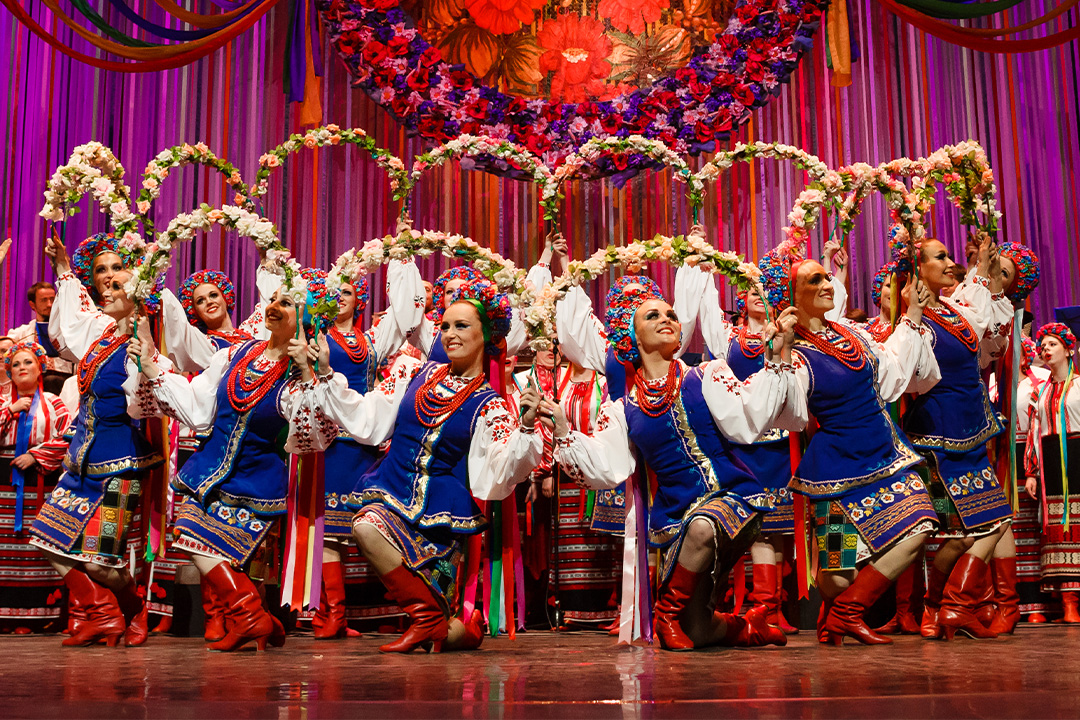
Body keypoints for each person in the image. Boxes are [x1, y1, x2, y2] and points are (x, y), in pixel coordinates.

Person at [552, 278, 803, 651]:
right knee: (699, 631)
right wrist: (561, 429)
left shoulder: (706, 375)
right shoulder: (623, 408)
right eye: (653, 315)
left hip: (731, 496)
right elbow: (606, 463)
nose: (667, 318)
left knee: (703, 527)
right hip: (675, 516)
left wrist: (777, 359)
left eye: (670, 313)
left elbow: (751, 414)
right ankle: (748, 627)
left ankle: (664, 613)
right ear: (631, 337)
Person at [311, 279, 544, 653]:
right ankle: (428, 619)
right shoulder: (413, 372)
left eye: (462, 326)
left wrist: (529, 427)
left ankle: (440, 624)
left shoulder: (490, 404)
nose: (450, 334)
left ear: (486, 335)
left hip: (440, 511)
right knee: (367, 526)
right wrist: (325, 373)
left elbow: (502, 469)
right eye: (446, 326)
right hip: (391, 487)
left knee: (446, 635)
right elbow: (370, 417)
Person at [132, 275, 332, 652]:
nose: (273, 306)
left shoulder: (298, 375)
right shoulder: (235, 355)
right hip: (210, 473)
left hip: (254, 482)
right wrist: (153, 367)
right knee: (189, 535)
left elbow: (314, 434)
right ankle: (253, 617)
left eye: (286, 303)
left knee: (219, 552)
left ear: (306, 318)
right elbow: (197, 406)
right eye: (272, 299)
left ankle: (250, 617)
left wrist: (311, 373)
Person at [760, 247, 940, 646]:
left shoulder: (850, 334)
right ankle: (836, 613)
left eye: (827, 276)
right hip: (837, 470)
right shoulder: (797, 354)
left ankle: (847, 612)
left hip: (885, 454)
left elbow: (894, 376)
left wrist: (911, 315)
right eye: (815, 281)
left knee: (921, 523)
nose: (827, 284)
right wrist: (782, 350)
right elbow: (788, 414)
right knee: (839, 571)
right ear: (791, 296)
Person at [676, 241, 849, 634]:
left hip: (783, 445)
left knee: (782, 525)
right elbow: (702, 309)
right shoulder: (728, 337)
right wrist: (700, 265)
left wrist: (828, 266)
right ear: (742, 297)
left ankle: (775, 605)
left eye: (764, 291)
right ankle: (762, 605)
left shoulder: (791, 333)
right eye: (751, 291)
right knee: (758, 521)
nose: (757, 296)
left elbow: (827, 314)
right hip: (747, 444)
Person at [29, 233, 166, 648]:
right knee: (48, 542)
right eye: (102, 276)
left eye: (116, 277)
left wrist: (147, 361)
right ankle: (102, 615)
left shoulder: (143, 344)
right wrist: (64, 270)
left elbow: (151, 396)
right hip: (81, 462)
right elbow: (67, 327)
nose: (107, 283)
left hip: (118, 467)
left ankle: (132, 606)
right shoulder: (100, 336)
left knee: (101, 562)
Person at [902, 237, 1014, 640]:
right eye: (941, 258)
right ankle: (949, 606)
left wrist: (983, 270)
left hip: (971, 430)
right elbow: (910, 376)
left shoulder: (953, 308)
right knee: (970, 528)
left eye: (951, 256)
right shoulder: (914, 322)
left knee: (982, 525)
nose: (951, 263)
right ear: (918, 271)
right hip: (941, 435)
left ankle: (944, 607)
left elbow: (986, 325)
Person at [313, 261, 422, 639]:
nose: (339, 298)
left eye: (346, 292)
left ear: (358, 298)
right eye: (333, 293)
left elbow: (406, 310)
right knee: (326, 532)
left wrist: (403, 256)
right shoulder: (313, 335)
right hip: (326, 442)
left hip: (361, 443)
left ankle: (407, 608)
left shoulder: (373, 340)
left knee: (368, 526)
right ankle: (334, 615)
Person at [0, 341, 70, 632]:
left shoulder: (54, 403)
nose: (22, 368)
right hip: (4, 485)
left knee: (37, 546)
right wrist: (10, 411)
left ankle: (39, 614)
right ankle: (6, 615)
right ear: (9, 373)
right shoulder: (3, 402)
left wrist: (35, 455)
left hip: (40, 482)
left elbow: (67, 437)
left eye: (27, 362)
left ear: (40, 367)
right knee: (6, 549)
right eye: (16, 365)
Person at [1025, 323, 1080, 621]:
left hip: (1077, 456)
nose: (1045, 349)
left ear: (1068, 350)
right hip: (1050, 462)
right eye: (1042, 346)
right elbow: (1035, 431)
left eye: (1052, 345)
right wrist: (1031, 471)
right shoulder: (1042, 391)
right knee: (1057, 528)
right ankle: (1066, 600)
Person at [8, 282, 73, 396]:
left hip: (63, 382)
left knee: (51, 381)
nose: (49, 304)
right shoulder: (22, 333)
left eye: (52, 300)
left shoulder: (69, 330)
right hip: (31, 383)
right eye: (44, 300)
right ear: (32, 305)